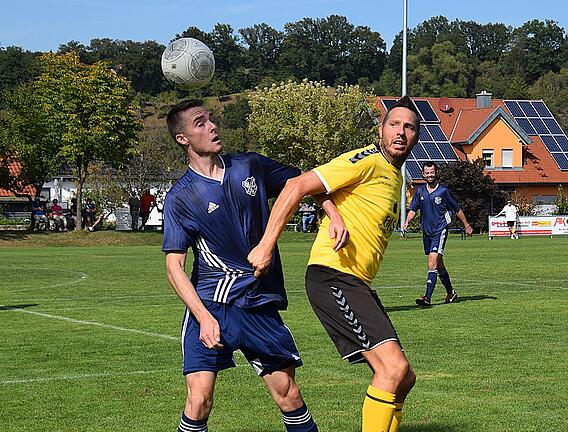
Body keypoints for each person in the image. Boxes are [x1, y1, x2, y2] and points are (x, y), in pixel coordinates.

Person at [162, 99, 345, 432]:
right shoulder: (180, 197)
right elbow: (175, 267)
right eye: (200, 123)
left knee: (288, 394)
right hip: (213, 305)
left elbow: (304, 182)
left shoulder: (250, 166)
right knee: (199, 400)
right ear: (183, 139)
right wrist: (203, 318)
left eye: (211, 119)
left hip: (259, 303)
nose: (212, 126)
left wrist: (333, 214)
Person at [248, 96, 421, 432]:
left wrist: (335, 213)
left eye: (408, 127)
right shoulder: (367, 160)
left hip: (357, 284)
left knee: (404, 378)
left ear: (416, 136)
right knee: (392, 369)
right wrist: (266, 245)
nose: (400, 132)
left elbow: (325, 190)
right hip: (333, 277)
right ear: (381, 130)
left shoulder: (395, 175)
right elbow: (297, 184)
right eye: (394, 124)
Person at [402, 161, 473, 307]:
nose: (430, 175)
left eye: (432, 172)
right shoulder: (420, 191)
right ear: (423, 174)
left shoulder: (444, 191)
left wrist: (467, 225)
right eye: (427, 172)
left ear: (436, 173)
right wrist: (407, 222)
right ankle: (451, 292)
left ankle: (427, 298)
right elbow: (413, 209)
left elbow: (457, 209)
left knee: (431, 263)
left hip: (440, 231)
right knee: (439, 265)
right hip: (426, 232)